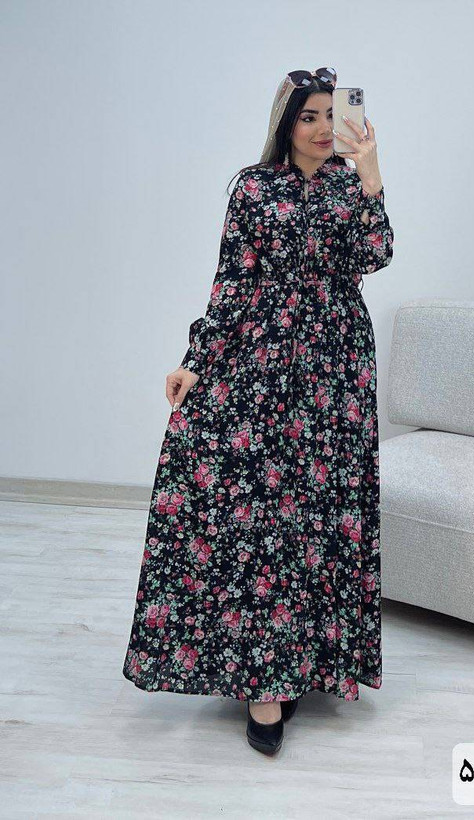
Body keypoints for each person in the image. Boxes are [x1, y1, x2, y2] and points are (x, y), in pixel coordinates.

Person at [122, 67, 394, 755]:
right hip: (261, 356)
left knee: (315, 513)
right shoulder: (253, 187)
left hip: (334, 366)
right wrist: (196, 359)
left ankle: (299, 662)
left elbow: (375, 254)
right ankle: (263, 682)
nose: (324, 128)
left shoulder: (349, 183)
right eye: (310, 116)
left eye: (332, 114)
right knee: (255, 512)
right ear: (286, 122)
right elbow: (232, 283)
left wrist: (370, 175)